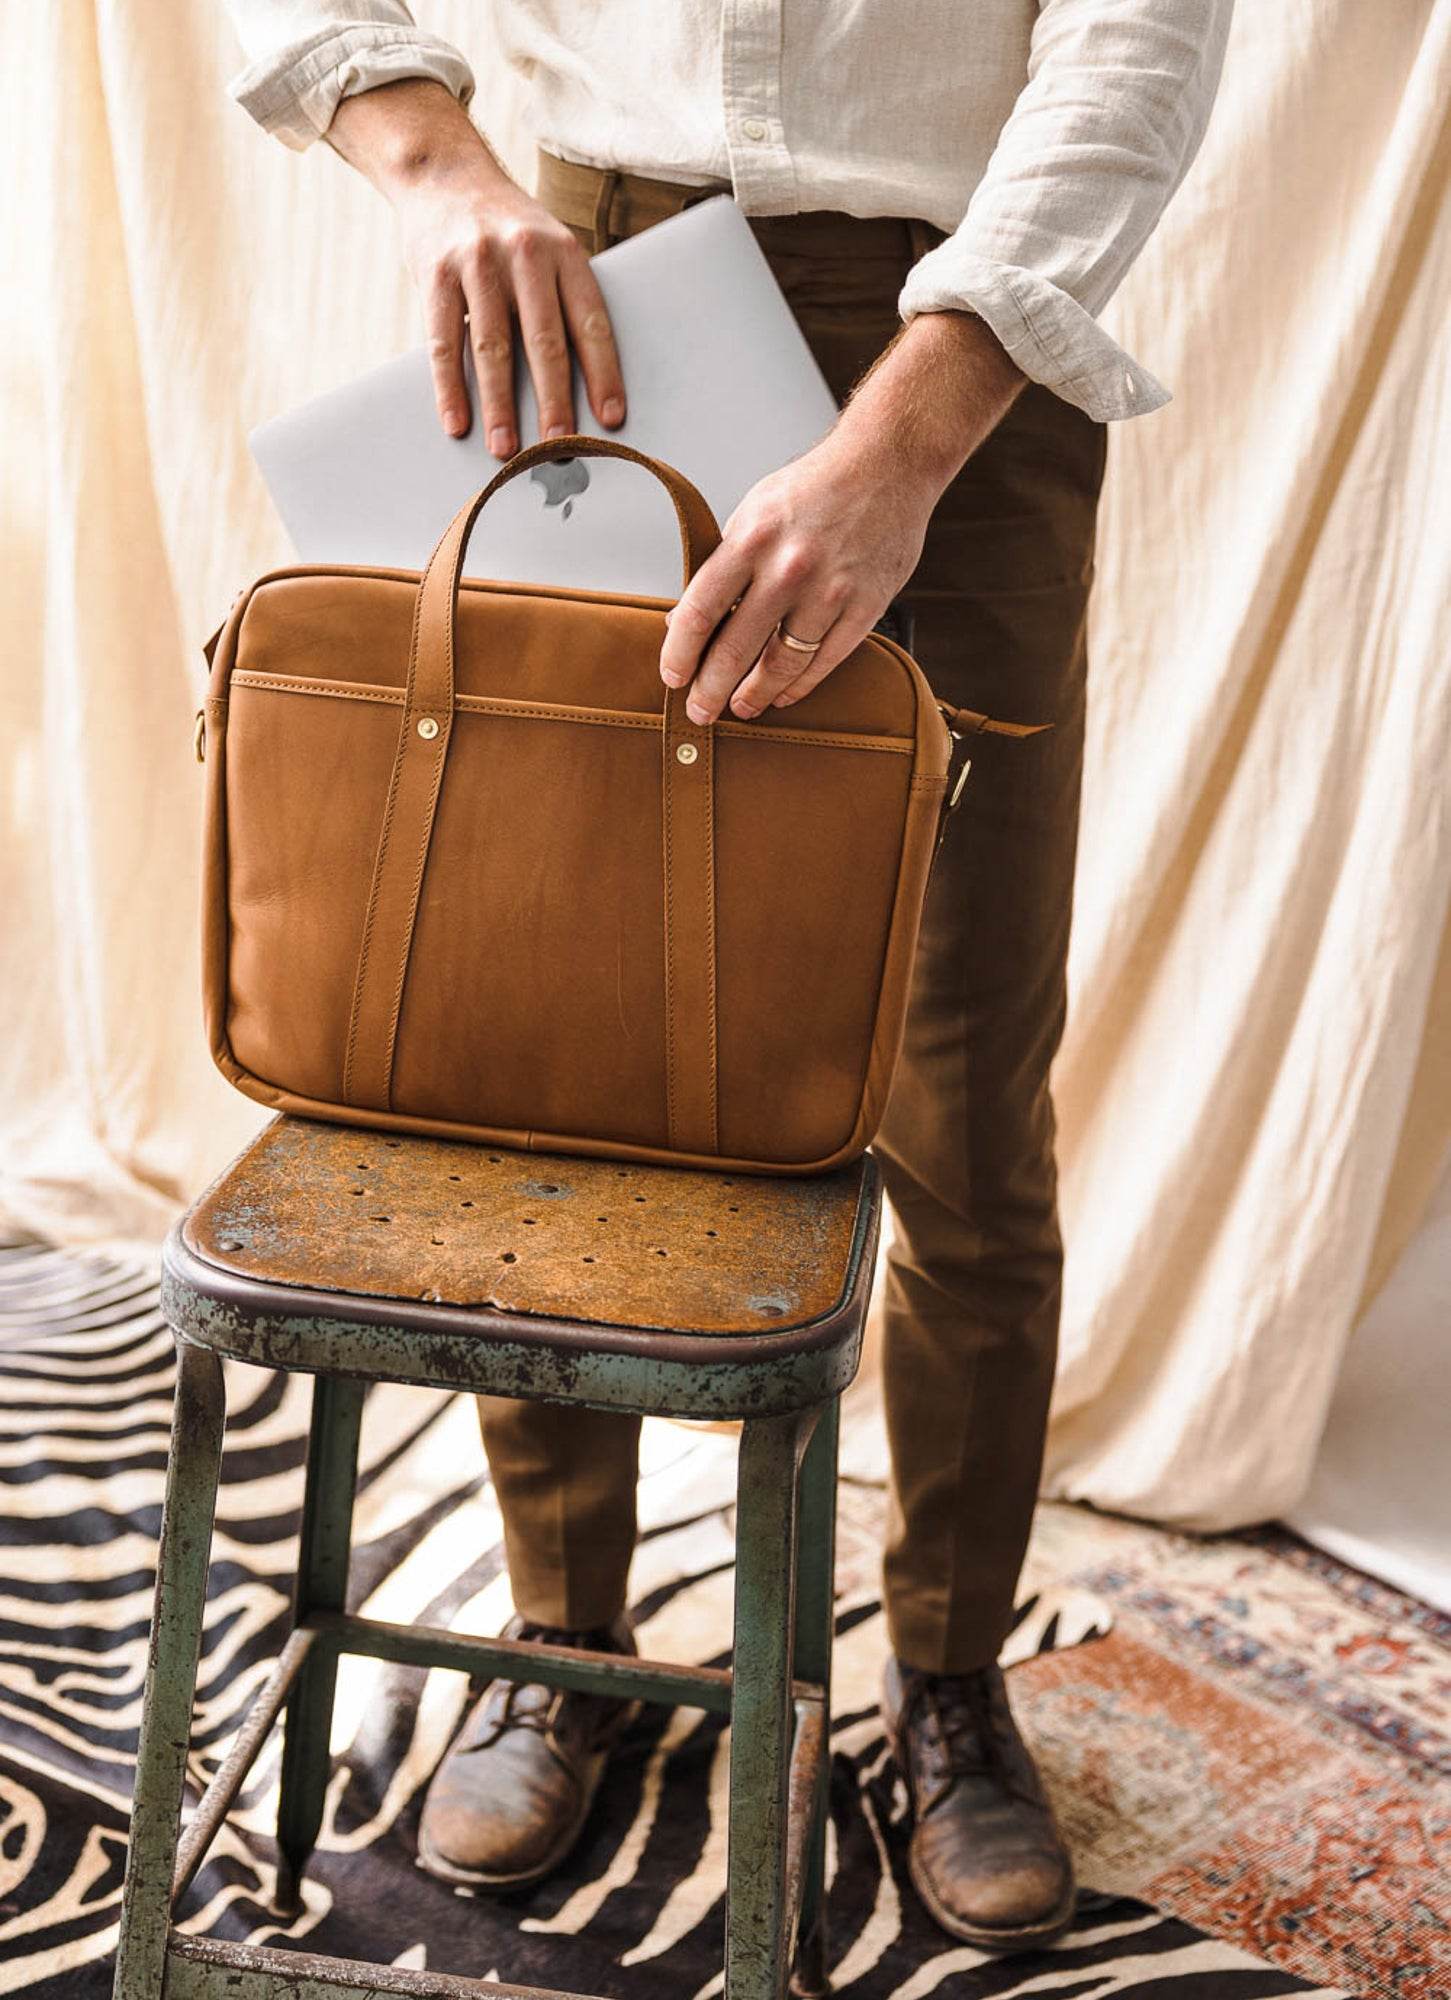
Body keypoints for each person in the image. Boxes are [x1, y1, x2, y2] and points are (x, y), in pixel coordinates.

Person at [223, 0, 1233, 1954]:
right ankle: (566, 1641)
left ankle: (946, 1686)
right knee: (550, 1033)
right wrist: (433, 165)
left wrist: (909, 434)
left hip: (967, 346)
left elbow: (1138, 40)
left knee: (958, 1087)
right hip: (584, 306)